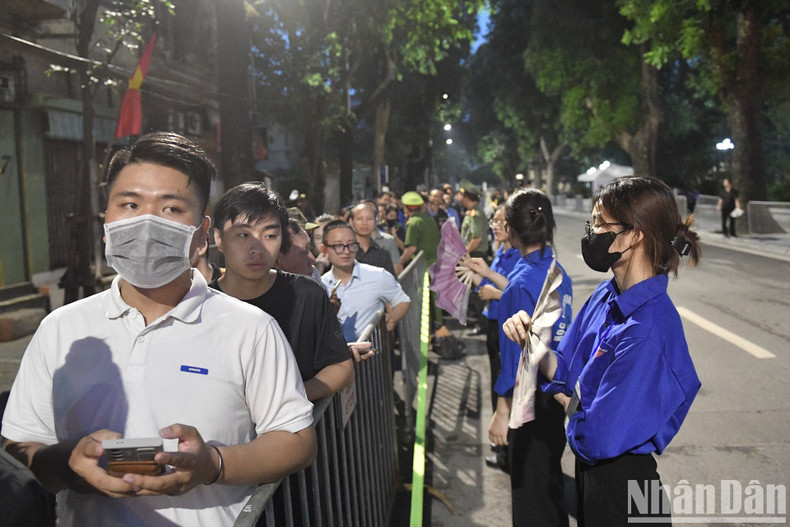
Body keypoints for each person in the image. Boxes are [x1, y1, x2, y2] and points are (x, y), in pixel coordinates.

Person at [1, 132, 316, 527]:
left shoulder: (250, 329)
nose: (146, 222)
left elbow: (297, 441)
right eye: (130, 204)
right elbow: (23, 443)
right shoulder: (60, 329)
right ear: (107, 224)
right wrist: (68, 464)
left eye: (170, 208)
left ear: (201, 235)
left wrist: (213, 464)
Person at [503, 176, 702, 525]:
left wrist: (570, 403)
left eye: (599, 224)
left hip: (628, 491)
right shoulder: (607, 295)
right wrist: (531, 341)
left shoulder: (646, 330)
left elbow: (597, 436)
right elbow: (565, 368)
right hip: (595, 479)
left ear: (635, 234)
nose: (591, 234)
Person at [210, 182, 355, 401]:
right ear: (218, 239)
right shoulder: (202, 305)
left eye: (270, 235)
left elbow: (341, 367)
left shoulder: (307, 294)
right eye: (243, 235)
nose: (256, 249)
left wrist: (288, 400)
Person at [484, 188, 573, 527]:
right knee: (548, 483)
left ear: (509, 228)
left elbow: (513, 359)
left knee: (531, 494)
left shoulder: (518, 284)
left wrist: (501, 410)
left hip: (528, 398)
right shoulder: (554, 268)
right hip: (553, 389)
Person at [464, 205, 520, 470]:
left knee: (506, 384)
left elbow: (517, 292)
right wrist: (474, 275)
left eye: (500, 222)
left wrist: (495, 294)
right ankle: (502, 445)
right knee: (498, 380)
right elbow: (490, 286)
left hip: (507, 325)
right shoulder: (500, 251)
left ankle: (508, 449)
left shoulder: (520, 257)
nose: (495, 226)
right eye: (493, 221)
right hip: (494, 322)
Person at [320, 220, 411, 342]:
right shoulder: (320, 284)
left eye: (351, 245)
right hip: (336, 358)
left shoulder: (378, 276)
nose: (346, 251)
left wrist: (392, 320)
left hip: (371, 357)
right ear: (324, 250)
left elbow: (402, 301)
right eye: (338, 246)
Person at [458, 180, 490, 335]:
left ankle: (482, 324)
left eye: (460, 194)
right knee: (473, 292)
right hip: (472, 256)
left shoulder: (476, 213)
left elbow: (477, 239)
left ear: (466, 197)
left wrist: (464, 254)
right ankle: (478, 320)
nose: (458, 197)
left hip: (476, 256)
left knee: (478, 293)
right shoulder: (471, 212)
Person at [349, 202, 396, 276]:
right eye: (359, 218)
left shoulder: (382, 254)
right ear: (351, 221)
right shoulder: (345, 252)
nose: (364, 223)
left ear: (375, 221)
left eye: (369, 219)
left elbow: (390, 283)